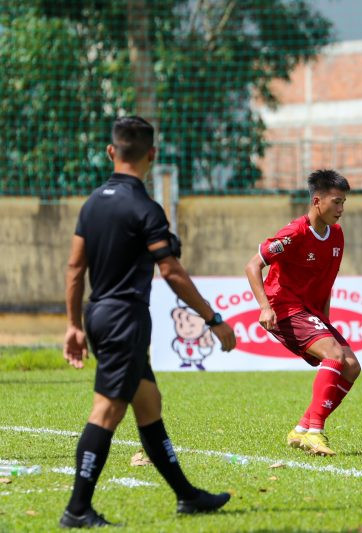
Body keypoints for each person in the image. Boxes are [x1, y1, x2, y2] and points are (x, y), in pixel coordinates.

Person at [61, 116, 237, 528]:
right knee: (106, 410)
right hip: (125, 318)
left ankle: (187, 496)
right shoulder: (145, 208)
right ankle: (77, 509)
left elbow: (74, 268)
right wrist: (213, 319)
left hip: (98, 313)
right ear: (152, 156)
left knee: (148, 404)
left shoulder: (91, 204)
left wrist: (73, 325)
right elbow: (171, 272)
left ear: (111, 152)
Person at [244, 169, 358, 457]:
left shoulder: (337, 235)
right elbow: (252, 265)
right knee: (334, 355)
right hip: (283, 307)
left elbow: (326, 281)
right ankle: (315, 432)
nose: (341, 209)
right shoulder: (295, 232)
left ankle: (302, 428)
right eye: (336, 202)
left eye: (344, 202)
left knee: (352, 366)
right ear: (317, 200)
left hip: (309, 311)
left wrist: (325, 319)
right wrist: (265, 307)